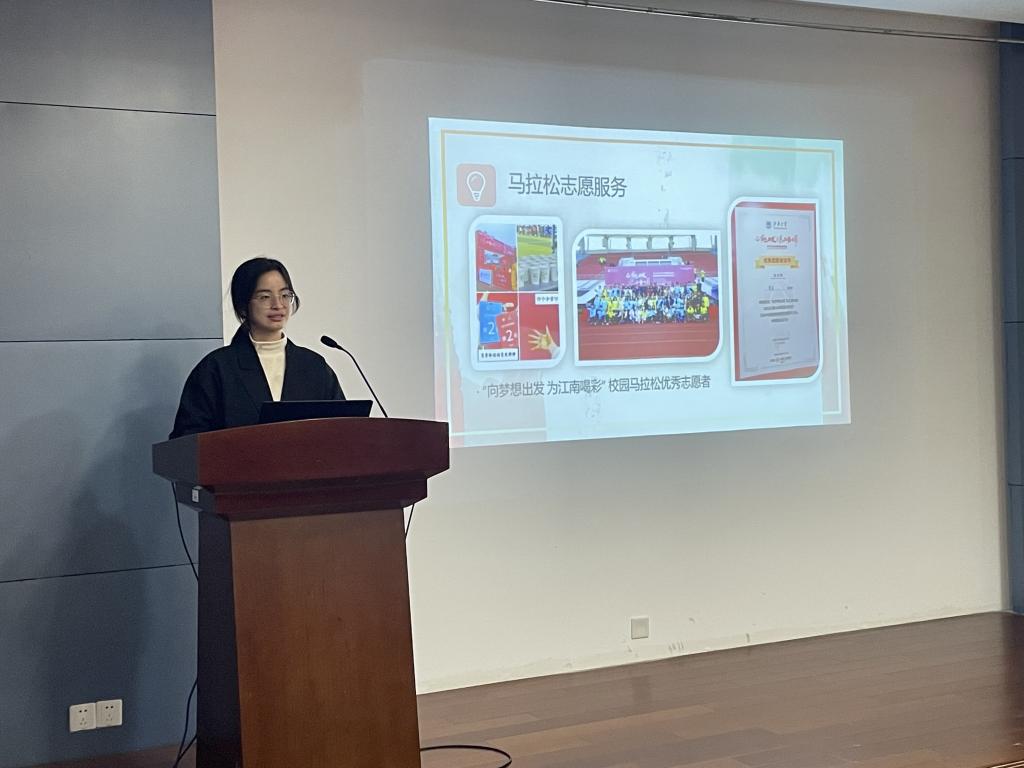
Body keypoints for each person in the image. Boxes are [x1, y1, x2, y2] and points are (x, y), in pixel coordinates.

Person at [169, 256, 344, 439]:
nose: (278, 305)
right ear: (243, 306)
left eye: (285, 295)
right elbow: (187, 439)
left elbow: (341, 430)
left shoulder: (314, 366)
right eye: (265, 297)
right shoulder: (216, 368)